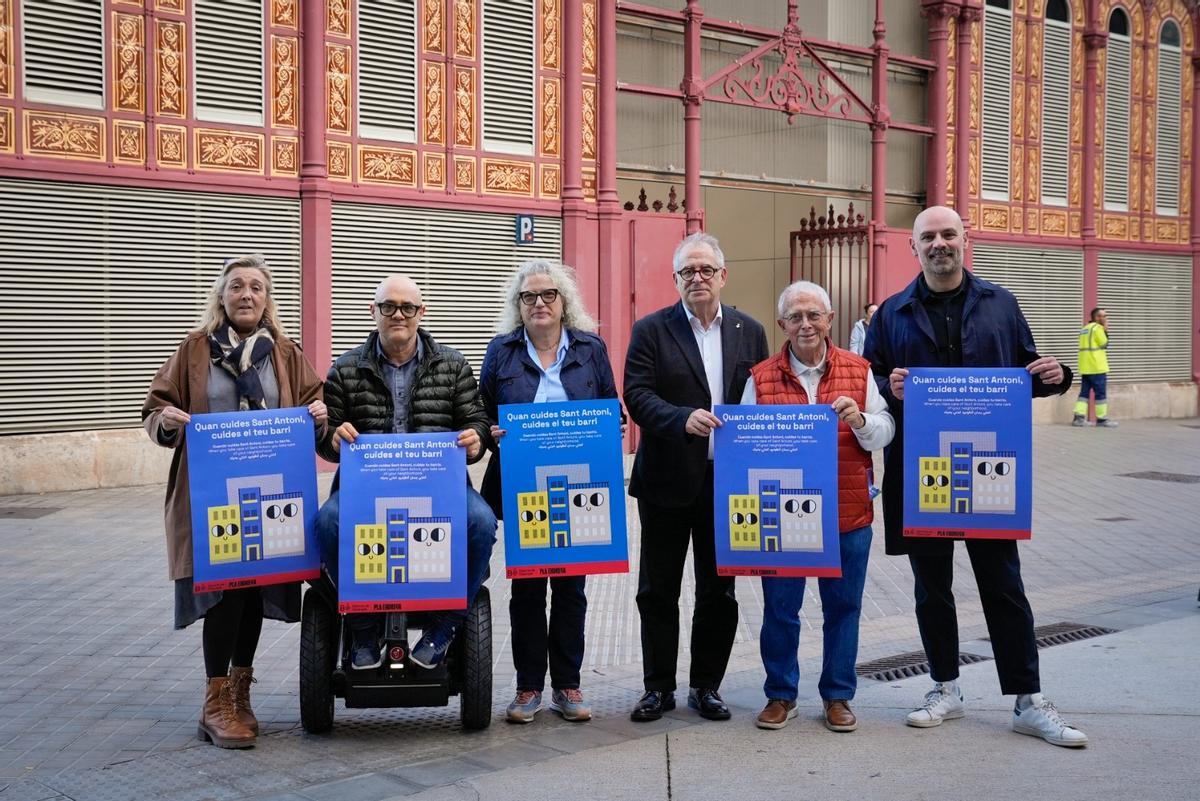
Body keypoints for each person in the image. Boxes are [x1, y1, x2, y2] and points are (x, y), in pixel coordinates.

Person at [863, 205, 1088, 747]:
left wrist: (1060, 376)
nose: (939, 243)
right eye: (928, 237)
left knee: (1004, 586)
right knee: (931, 588)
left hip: (991, 470)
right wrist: (885, 385)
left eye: (948, 234)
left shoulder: (1001, 304)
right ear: (913, 248)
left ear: (965, 240)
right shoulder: (892, 313)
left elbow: (1031, 372)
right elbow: (868, 379)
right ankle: (945, 688)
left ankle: (1027, 699)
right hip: (923, 472)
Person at [142, 254, 328, 749]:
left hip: (270, 494)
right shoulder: (194, 350)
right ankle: (214, 701)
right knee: (224, 588)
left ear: (268, 300)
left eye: (256, 288)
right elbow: (157, 405)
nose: (246, 294)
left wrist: (319, 412)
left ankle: (240, 693)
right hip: (211, 497)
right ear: (221, 297)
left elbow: (316, 403)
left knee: (252, 590)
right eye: (237, 287)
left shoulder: (285, 354)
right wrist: (167, 422)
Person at [314, 275, 497, 671]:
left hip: (441, 489)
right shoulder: (344, 369)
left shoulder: (453, 364)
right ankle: (363, 628)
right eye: (388, 306)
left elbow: (477, 421)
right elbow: (325, 435)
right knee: (327, 522)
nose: (398, 314)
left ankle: (445, 627)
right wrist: (332, 438)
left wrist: (475, 440)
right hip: (365, 492)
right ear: (373, 311)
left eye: (408, 307)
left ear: (421, 313)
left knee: (481, 522)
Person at [623, 231, 770, 722]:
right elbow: (637, 396)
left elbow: (762, 398)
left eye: (706, 269)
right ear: (676, 280)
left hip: (726, 483)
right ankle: (657, 688)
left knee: (718, 591)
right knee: (657, 590)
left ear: (723, 276)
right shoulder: (651, 330)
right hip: (666, 480)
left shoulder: (751, 331)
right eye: (688, 271)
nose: (698, 278)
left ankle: (706, 685)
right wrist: (680, 418)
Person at [740, 281, 894, 732]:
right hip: (782, 516)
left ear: (830, 320)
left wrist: (862, 421)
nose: (805, 324)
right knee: (780, 609)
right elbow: (745, 447)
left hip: (846, 513)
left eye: (814, 315)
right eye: (795, 317)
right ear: (782, 324)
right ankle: (780, 694)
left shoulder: (859, 370)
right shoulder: (760, 377)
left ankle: (838, 696)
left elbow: (886, 430)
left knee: (843, 608)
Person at [479, 260, 619, 724]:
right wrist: (490, 431)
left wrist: (610, 427)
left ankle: (568, 684)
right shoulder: (500, 352)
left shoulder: (591, 348)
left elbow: (609, 406)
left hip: (578, 483)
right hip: (521, 487)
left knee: (571, 588)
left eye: (548, 295)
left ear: (564, 302)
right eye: (529, 297)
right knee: (526, 590)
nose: (539, 304)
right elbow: (480, 413)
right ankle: (527, 688)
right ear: (517, 307)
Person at [1073, 307, 1117, 427]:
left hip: (1085, 367)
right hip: (1097, 367)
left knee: (1084, 393)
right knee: (1100, 394)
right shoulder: (1098, 328)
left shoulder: (1084, 329)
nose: (1106, 318)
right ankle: (1102, 419)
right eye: (1104, 316)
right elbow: (1104, 344)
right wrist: (1105, 329)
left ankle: (1078, 418)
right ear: (1097, 317)